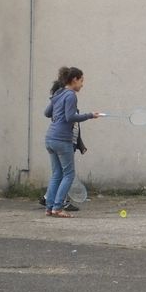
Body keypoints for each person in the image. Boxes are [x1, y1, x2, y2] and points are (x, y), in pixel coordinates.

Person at [43, 66, 99, 218]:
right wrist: (89, 115)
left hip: (50, 138)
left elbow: (47, 113)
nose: (82, 84)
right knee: (68, 174)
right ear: (74, 79)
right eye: (81, 80)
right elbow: (70, 117)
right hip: (62, 139)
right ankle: (58, 207)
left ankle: (49, 208)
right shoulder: (71, 95)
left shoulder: (58, 93)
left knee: (56, 174)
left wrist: (57, 108)